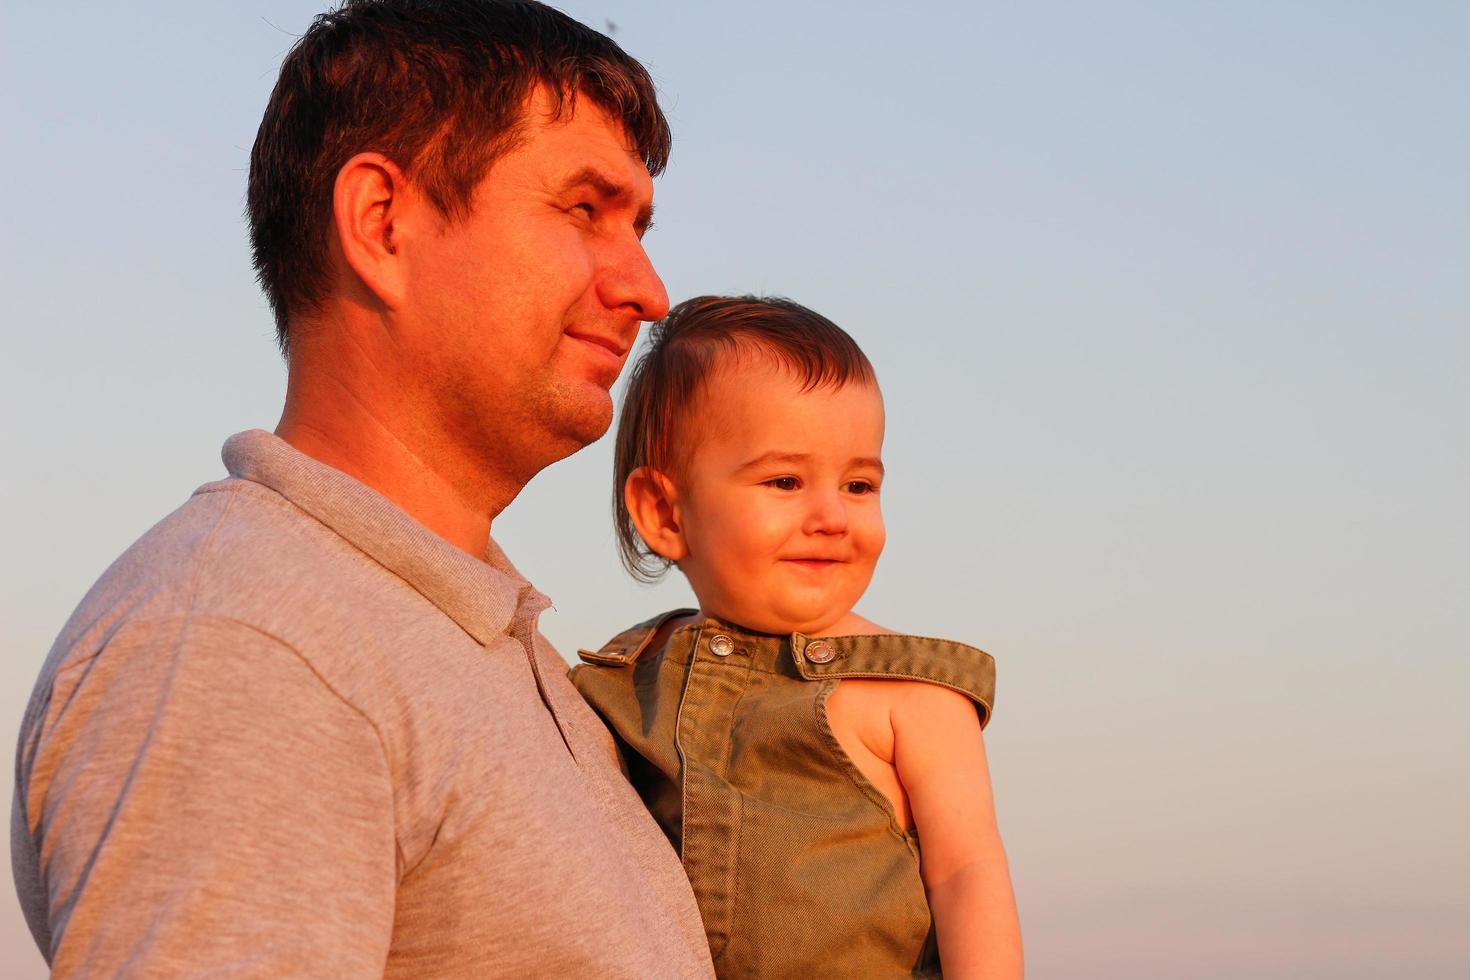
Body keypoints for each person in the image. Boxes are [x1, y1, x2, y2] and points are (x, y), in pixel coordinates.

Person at [11, 2, 715, 976]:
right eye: (584, 209)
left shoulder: (481, 651)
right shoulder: (251, 639)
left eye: (637, 224)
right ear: (381, 223)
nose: (646, 288)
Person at [572, 295, 1025, 978]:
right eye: (785, 481)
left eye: (859, 484)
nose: (831, 515)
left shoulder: (911, 693)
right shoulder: (621, 684)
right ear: (665, 514)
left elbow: (967, 873)